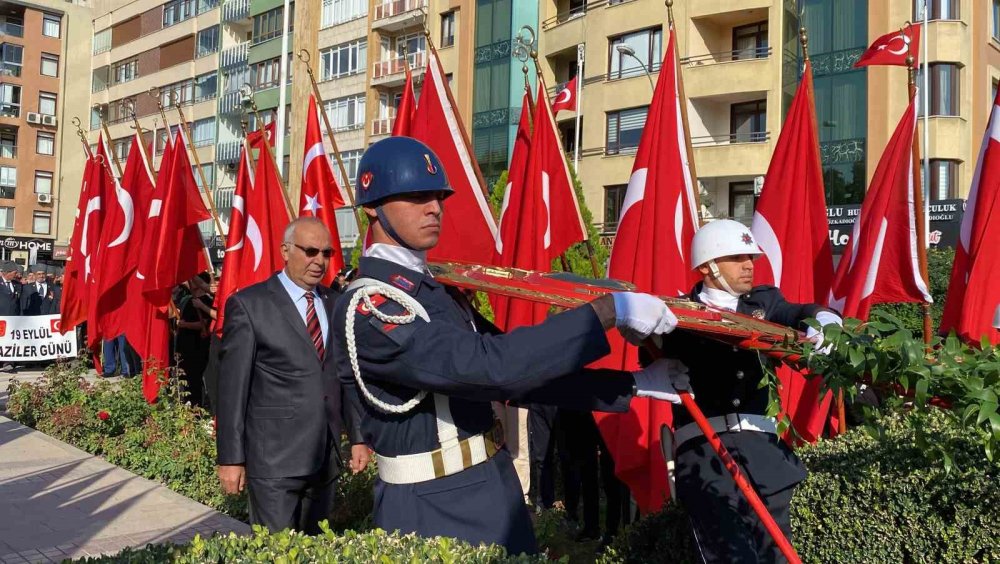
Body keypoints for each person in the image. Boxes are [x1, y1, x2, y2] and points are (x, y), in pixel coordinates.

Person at [331, 137, 691, 555]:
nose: (434, 207)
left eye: (438, 196)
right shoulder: (372, 304)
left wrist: (632, 384)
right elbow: (489, 367)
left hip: (489, 485)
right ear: (372, 207)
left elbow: (518, 379)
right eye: (415, 197)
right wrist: (608, 312)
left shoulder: (433, 290)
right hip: (432, 507)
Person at [657, 219, 842, 563]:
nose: (748, 265)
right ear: (707, 266)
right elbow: (648, 348)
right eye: (737, 257)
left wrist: (826, 320)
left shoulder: (764, 302)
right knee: (730, 556)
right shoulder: (675, 313)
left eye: (751, 257)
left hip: (762, 452)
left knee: (777, 556)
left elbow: (798, 312)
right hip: (706, 453)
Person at [216, 217, 369, 534]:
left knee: (315, 552)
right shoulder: (249, 305)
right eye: (310, 251)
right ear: (285, 250)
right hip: (274, 462)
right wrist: (231, 458)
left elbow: (345, 376)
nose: (319, 261)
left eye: (326, 253)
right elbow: (232, 391)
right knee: (278, 553)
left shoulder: (335, 303)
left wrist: (357, 437)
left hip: (324, 459)